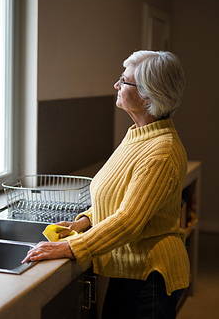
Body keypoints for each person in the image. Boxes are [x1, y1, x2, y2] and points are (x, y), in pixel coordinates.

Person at [22, 50, 189, 319]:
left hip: (150, 277)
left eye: (124, 81)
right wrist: (84, 222)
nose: (116, 85)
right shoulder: (138, 135)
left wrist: (70, 247)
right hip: (131, 272)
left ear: (148, 96)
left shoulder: (161, 151)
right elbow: (118, 197)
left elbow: (128, 220)